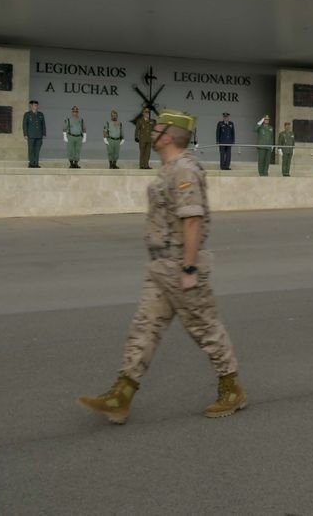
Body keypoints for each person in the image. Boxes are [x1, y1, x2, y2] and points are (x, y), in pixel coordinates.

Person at [76, 109, 245, 424]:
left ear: (169, 135)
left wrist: (190, 269)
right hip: (161, 265)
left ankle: (231, 387)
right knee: (144, 327)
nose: (152, 131)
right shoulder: (169, 168)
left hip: (180, 263)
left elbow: (192, 219)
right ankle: (121, 395)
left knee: (205, 328)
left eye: (157, 128)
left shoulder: (184, 170)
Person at [22, 100, 46, 168]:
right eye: (34, 105)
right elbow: (24, 125)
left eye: (37, 105)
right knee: (31, 149)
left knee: (37, 150)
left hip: (39, 135)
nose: (36, 106)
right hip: (31, 135)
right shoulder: (27, 114)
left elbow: (43, 124)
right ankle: (31, 163)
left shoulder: (40, 114)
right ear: (31, 106)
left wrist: (44, 133)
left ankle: (36, 163)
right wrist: (25, 134)